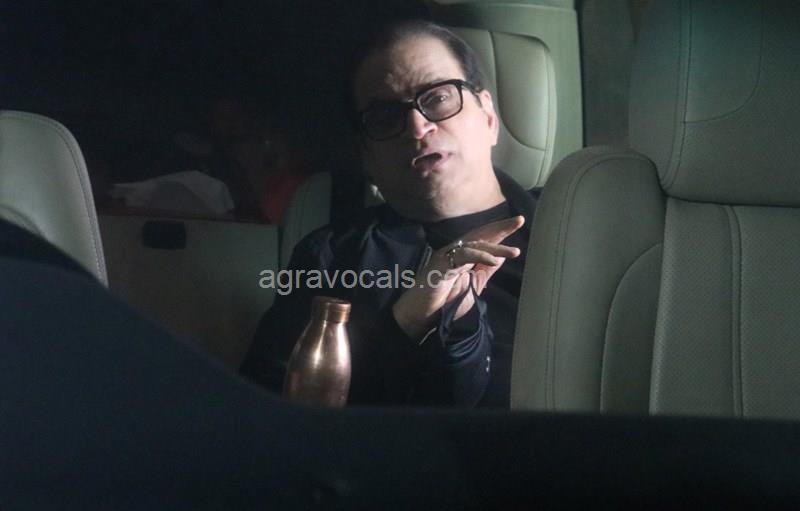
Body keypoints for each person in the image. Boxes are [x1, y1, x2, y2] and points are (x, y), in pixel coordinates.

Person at [240, 20, 538, 407]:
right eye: (384, 117)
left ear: (488, 117)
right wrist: (404, 325)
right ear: (366, 155)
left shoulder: (574, 229)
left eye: (438, 97)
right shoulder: (329, 261)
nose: (417, 126)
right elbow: (268, 414)